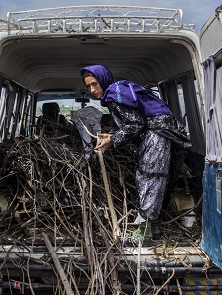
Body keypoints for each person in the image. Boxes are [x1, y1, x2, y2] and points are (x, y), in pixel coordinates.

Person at [80, 64, 187, 241]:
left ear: (103, 81)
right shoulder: (116, 92)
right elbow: (135, 123)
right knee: (150, 178)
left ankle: (143, 234)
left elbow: (136, 125)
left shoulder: (114, 95)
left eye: (95, 84)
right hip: (158, 132)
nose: (92, 89)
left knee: (149, 177)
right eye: (88, 86)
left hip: (158, 134)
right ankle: (153, 228)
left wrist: (112, 139)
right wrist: (112, 136)